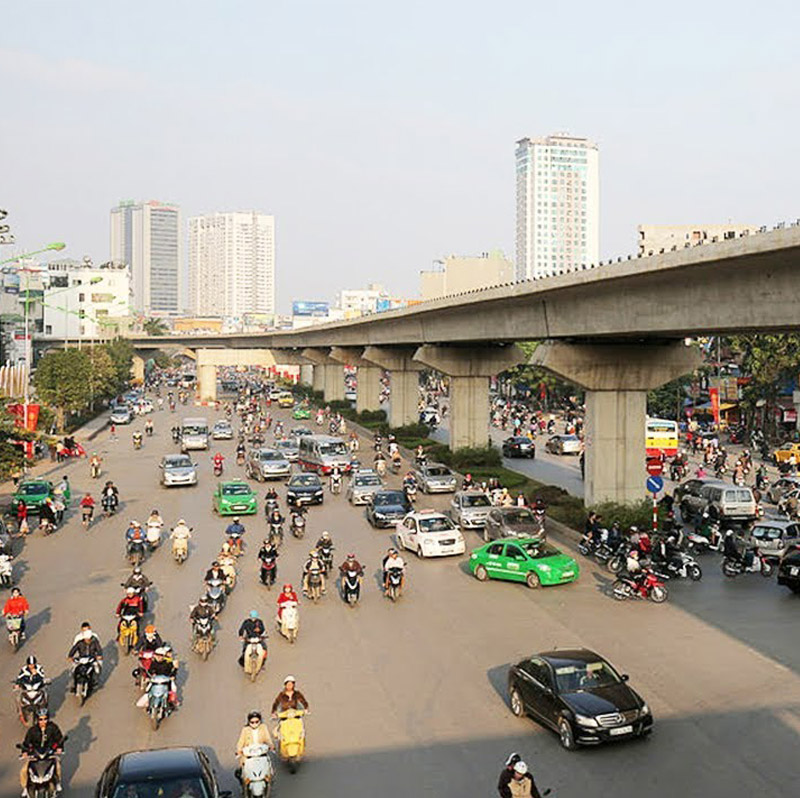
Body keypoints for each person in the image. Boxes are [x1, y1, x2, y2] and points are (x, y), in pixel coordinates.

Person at [20, 709, 64, 796]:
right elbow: (26, 742)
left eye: (45, 719)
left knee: (58, 765)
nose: (43, 721)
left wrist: (59, 748)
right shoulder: (32, 730)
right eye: (41, 719)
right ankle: (25, 788)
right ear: (37, 719)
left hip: (49, 754)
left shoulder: (53, 728)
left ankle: (58, 783)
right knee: (23, 770)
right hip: (35, 755)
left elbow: (59, 739)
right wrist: (25, 752)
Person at [235, 710, 275, 780]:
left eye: (257, 722)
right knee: (241, 772)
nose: (254, 724)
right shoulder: (245, 730)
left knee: (269, 770)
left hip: (261, 752)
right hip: (249, 754)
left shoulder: (263, 727)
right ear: (249, 722)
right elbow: (240, 742)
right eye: (252, 722)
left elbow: (267, 738)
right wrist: (239, 750)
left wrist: (271, 746)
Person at [67, 624, 103, 692]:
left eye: (88, 639)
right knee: (73, 670)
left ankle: (95, 681)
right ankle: (73, 684)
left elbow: (99, 649)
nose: (87, 640)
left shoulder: (94, 640)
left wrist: (99, 655)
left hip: (92, 658)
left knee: (97, 669)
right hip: (81, 659)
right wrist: (70, 656)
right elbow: (74, 649)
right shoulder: (79, 640)